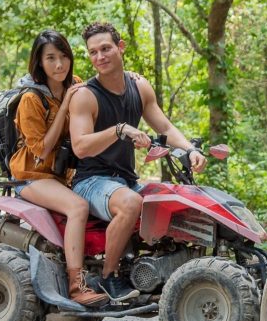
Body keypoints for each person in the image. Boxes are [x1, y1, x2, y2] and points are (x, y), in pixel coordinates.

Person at [69, 22, 207, 303]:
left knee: (177, 198)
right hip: (91, 181)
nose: (100, 57)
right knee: (131, 202)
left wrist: (190, 149)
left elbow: (164, 126)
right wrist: (119, 130)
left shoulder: (139, 86)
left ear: (120, 48)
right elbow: (81, 147)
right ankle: (108, 277)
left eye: (106, 48)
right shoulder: (86, 95)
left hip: (126, 180)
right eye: (93, 52)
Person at [10, 30, 107, 308]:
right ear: (39, 63)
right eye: (50, 58)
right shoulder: (31, 99)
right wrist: (65, 104)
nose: (59, 65)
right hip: (33, 175)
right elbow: (41, 149)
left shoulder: (75, 83)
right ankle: (77, 286)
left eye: (63, 56)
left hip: (63, 174)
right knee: (78, 207)